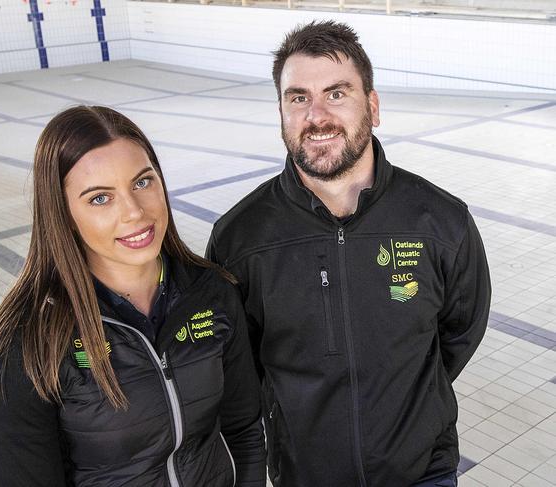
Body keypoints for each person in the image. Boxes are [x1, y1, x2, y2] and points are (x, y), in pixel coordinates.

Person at [207, 21, 491, 487]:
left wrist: (411, 406)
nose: (316, 116)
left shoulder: (441, 221)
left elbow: (459, 331)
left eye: (336, 94)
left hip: (422, 471)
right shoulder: (241, 238)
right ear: (281, 111)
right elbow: (241, 364)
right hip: (304, 475)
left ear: (373, 107)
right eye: (298, 97)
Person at [0, 106, 266, 487]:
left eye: (142, 182)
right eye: (99, 199)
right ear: (62, 214)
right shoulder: (25, 345)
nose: (134, 213)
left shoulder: (212, 294)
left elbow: (242, 429)